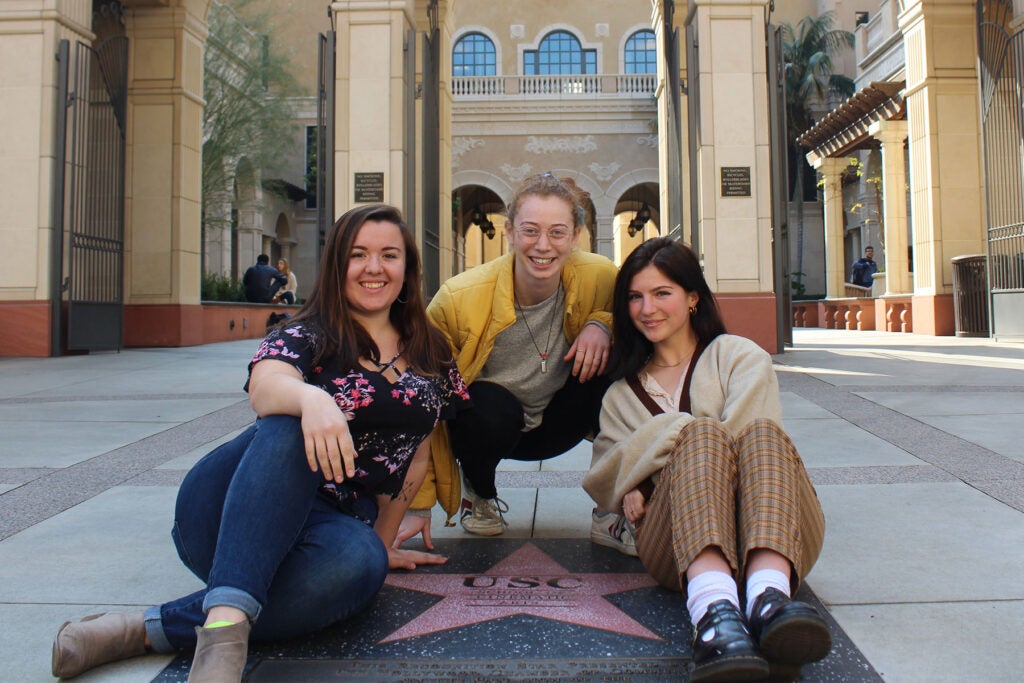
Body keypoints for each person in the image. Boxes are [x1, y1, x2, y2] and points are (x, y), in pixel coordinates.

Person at [51, 204, 469, 681]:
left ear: (408, 268)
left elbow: (413, 453)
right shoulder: (305, 333)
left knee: (359, 570)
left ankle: (151, 628)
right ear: (337, 265)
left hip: (331, 529)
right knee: (288, 419)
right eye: (358, 255)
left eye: (389, 255)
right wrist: (312, 399)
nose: (374, 268)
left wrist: (381, 542)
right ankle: (223, 634)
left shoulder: (431, 351)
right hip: (230, 507)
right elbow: (265, 386)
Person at [583, 238, 830, 682]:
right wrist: (645, 469)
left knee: (761, 433)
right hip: (672, 547)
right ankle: (714, 611)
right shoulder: (622, 394)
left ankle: (769, 598)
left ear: (693, 297)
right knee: (700, 431)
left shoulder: (738, 357)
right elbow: (603, 477)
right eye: (636, 297)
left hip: (774, 530)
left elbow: (746, 451)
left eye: (662, 294)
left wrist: (649, 468)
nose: (647, 309)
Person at [397, 172, 629, 552]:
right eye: (530, 230)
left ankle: (611, 508)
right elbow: (420, 398)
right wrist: (418, 504)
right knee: (488, 404)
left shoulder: (601, 276)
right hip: (490, 426)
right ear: (509, 231)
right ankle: (481, 495)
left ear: (574, 237)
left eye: (557, 232)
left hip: (561, 420)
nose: (543, 245)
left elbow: (640, 318)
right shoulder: (459, 299)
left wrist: (601, 323)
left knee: (616, 369)